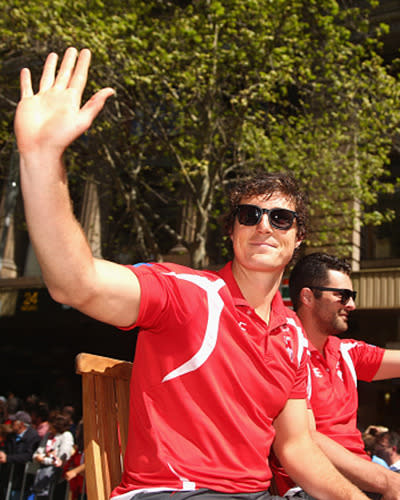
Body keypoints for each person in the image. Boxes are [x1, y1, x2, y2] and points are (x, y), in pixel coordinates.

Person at [13, 46, 371, 500]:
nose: (264, 225)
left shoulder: (293, 340)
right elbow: (75, 282)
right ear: (232, 231)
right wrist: (42, 157)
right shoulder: (188, 293)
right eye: (249, 215)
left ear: (299, 238)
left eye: (281, 218)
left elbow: (298, 448)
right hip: (173, 492)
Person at [272, 252, 400, 499]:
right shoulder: (283, 351)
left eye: (352, 296)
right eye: (342, 295)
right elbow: (304, 438)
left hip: (366, 480)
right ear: (308, 297)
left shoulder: (348, 352)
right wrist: (387, 481)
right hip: (311, 488)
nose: (351, 305)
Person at [31, 412, 75, 499]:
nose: (49, 428)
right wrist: (45, 456)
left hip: (56, 475)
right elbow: (37, 454)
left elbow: (61, 459)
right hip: (42, 475)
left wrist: (44, 459)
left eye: (50, 425)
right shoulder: (48, 435)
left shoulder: (66, 436)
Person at [0, 411, 41, 500]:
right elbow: (5, 448)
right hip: (7, 477)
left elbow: (28, 455)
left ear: (21, 424)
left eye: (13, 422)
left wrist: (8, 458)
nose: (11, 424)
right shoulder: (11, 436)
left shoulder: (33, 437)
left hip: (21, 480)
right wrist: (2, 453)